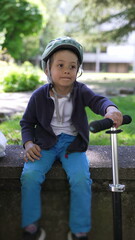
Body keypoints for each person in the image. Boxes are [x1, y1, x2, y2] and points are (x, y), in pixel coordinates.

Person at [20, 36, 123, 240]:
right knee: (29, 176)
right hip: (44, 144)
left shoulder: (81, 91)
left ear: (78, 70)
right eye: (60, 65)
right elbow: (26, 123)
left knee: (81, 179)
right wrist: (28, 143)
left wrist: (110, 109)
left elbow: (98, 101)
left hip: (72, 145)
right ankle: (30, 226)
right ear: (47, 69)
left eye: (72, 66)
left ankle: (79, 230)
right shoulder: (39, 96)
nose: (67, 70)